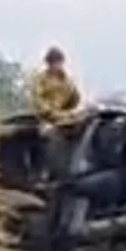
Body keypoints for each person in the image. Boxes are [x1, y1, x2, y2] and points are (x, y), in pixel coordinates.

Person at [29, 46, 83, 180]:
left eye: (59, 62)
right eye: (53, 63)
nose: (56, 66)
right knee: (48, 134)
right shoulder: (40, 79)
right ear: (48, 63)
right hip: (45, 117)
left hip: (64, 116)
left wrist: (71, 111)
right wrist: (50, 113)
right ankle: (43, 169)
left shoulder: (67, 80)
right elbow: (38, 100)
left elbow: (74, 99)